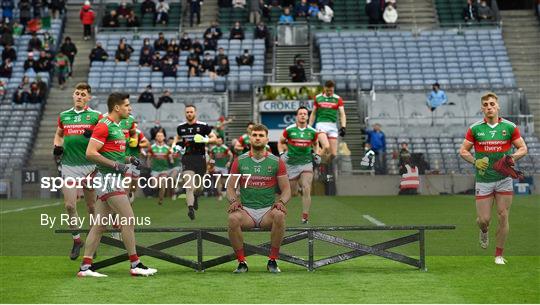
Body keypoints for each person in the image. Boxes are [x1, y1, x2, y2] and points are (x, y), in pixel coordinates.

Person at [79, 92, 157, 277]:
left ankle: (85, 267)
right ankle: (135, 264)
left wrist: (129, 159)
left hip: (110, 180)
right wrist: (116, 165)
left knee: (99, 226)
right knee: (128, 220)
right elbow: (90, 153)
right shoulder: (104, 126)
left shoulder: (116, 126)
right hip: (108, 180)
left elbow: (113, 154)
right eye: (127, 105)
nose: (130, 109)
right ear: (116, 107)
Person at [459, 92, 527, 265]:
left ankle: (498, 255)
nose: (489, 107)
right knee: (484, 220)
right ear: (482, 108)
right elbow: (463, 151)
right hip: (484, 179)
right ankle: (483, 231)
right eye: (486, 105)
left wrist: (512, 158)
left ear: (498, 106)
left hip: (504, 178)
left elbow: (522, 148)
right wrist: (475, 161)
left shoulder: (509, 127)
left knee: (503, 215)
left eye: (492, 104)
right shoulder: (475, 129)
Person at [227, 123, 291, 273]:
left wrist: (281, 202)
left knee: (280, 215)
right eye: (255, 135)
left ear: (267, 139)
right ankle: (242, 262)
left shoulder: (276, 161)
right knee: (232, 218)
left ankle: (272, 261)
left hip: (267, 212)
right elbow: (230, 187)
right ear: (250, 138)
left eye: (261, 135)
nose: (257, 138)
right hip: (246, 212)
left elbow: (286, 189)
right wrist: (233, 201)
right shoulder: (239, 160)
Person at [53, 83, 102, 260]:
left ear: (89, 98)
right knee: (70, 205)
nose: (79, 96)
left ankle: (92, 241)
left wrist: (95, 136)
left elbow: (107, 136)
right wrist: (57, 146)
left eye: (83, 94)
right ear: (73, 96)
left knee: (91, 207)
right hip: (69, 166)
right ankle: (76, 240)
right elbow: (59, 134)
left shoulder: (96, 116)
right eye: (77, 93)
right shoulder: (64, 115)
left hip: (90, 166)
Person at [172, 105, 217, 220]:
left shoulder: (203, 126)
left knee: (199, 187)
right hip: (187, 158)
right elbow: (176, 139)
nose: (189, 114)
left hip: (200, 158)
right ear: (185, 113)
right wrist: (174, 147)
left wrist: (204, 139)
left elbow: (215, 138)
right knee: (189, 186)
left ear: (195, 113)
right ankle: (190, 208)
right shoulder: (181, 127)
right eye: (187, 112)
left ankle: (196, 197)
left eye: (191, 112)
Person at [278, 107, 319, 224]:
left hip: (306, 163)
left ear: (307, 117)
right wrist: (281, 154)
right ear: (297, 116)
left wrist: (316, 154)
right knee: (292, 193)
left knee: (307, 187)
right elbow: (280, 142)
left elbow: (316, 144)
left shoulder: (312, 131)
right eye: (300, 113)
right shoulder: (289, 130)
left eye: (305, 114)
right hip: (291, 164)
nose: (302, 115)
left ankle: (305, 216)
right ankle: (280, 210)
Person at [308, 80, 346, 166]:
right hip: (321, 125)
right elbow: (313, 113)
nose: (329, 92)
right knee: (326, 146)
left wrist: (343, 127)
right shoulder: (318, 98)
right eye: (328, 90)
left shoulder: (337, 99)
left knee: (333, 154)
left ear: (333, 89)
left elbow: (342, 114)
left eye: (331, 90)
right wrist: (309, 126)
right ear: (324, 88)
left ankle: (324, 166)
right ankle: (314, 164)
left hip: (332, 126)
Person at [125, 127, 149, 203]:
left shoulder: (138, 132)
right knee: (126, 183)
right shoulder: (119, 130)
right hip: (124, 159)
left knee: (134, 186)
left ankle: (129, 197)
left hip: (135, 161)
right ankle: (124, 205)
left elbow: (147, 143)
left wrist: (138, 144)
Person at [147, 131, 170, 205]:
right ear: (156, 137)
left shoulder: (168, 148)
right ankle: (158, 193)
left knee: (162, 184)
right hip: (155, 170)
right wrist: (148, 164)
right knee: (154, 186)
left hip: (164, 169)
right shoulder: (152, 147)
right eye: (158, 136)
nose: (160, 137)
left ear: (164, 137)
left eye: (161, 136)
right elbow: (149, 158)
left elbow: (171, 159)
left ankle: (160, 200)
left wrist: (171, 158)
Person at [209, 136, 233, 201]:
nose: (219, 141)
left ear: (222, 141)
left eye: (220, 140)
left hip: (224, 167)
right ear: (216, 141)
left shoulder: (225, 148)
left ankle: (224, 190)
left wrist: (229, 162)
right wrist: (212, 165)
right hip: (216, 166)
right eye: (218, 140)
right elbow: (211, 157)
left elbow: (231, 155)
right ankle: (220, 195)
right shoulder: (213, 148)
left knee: (224, 181)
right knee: (218, 181)